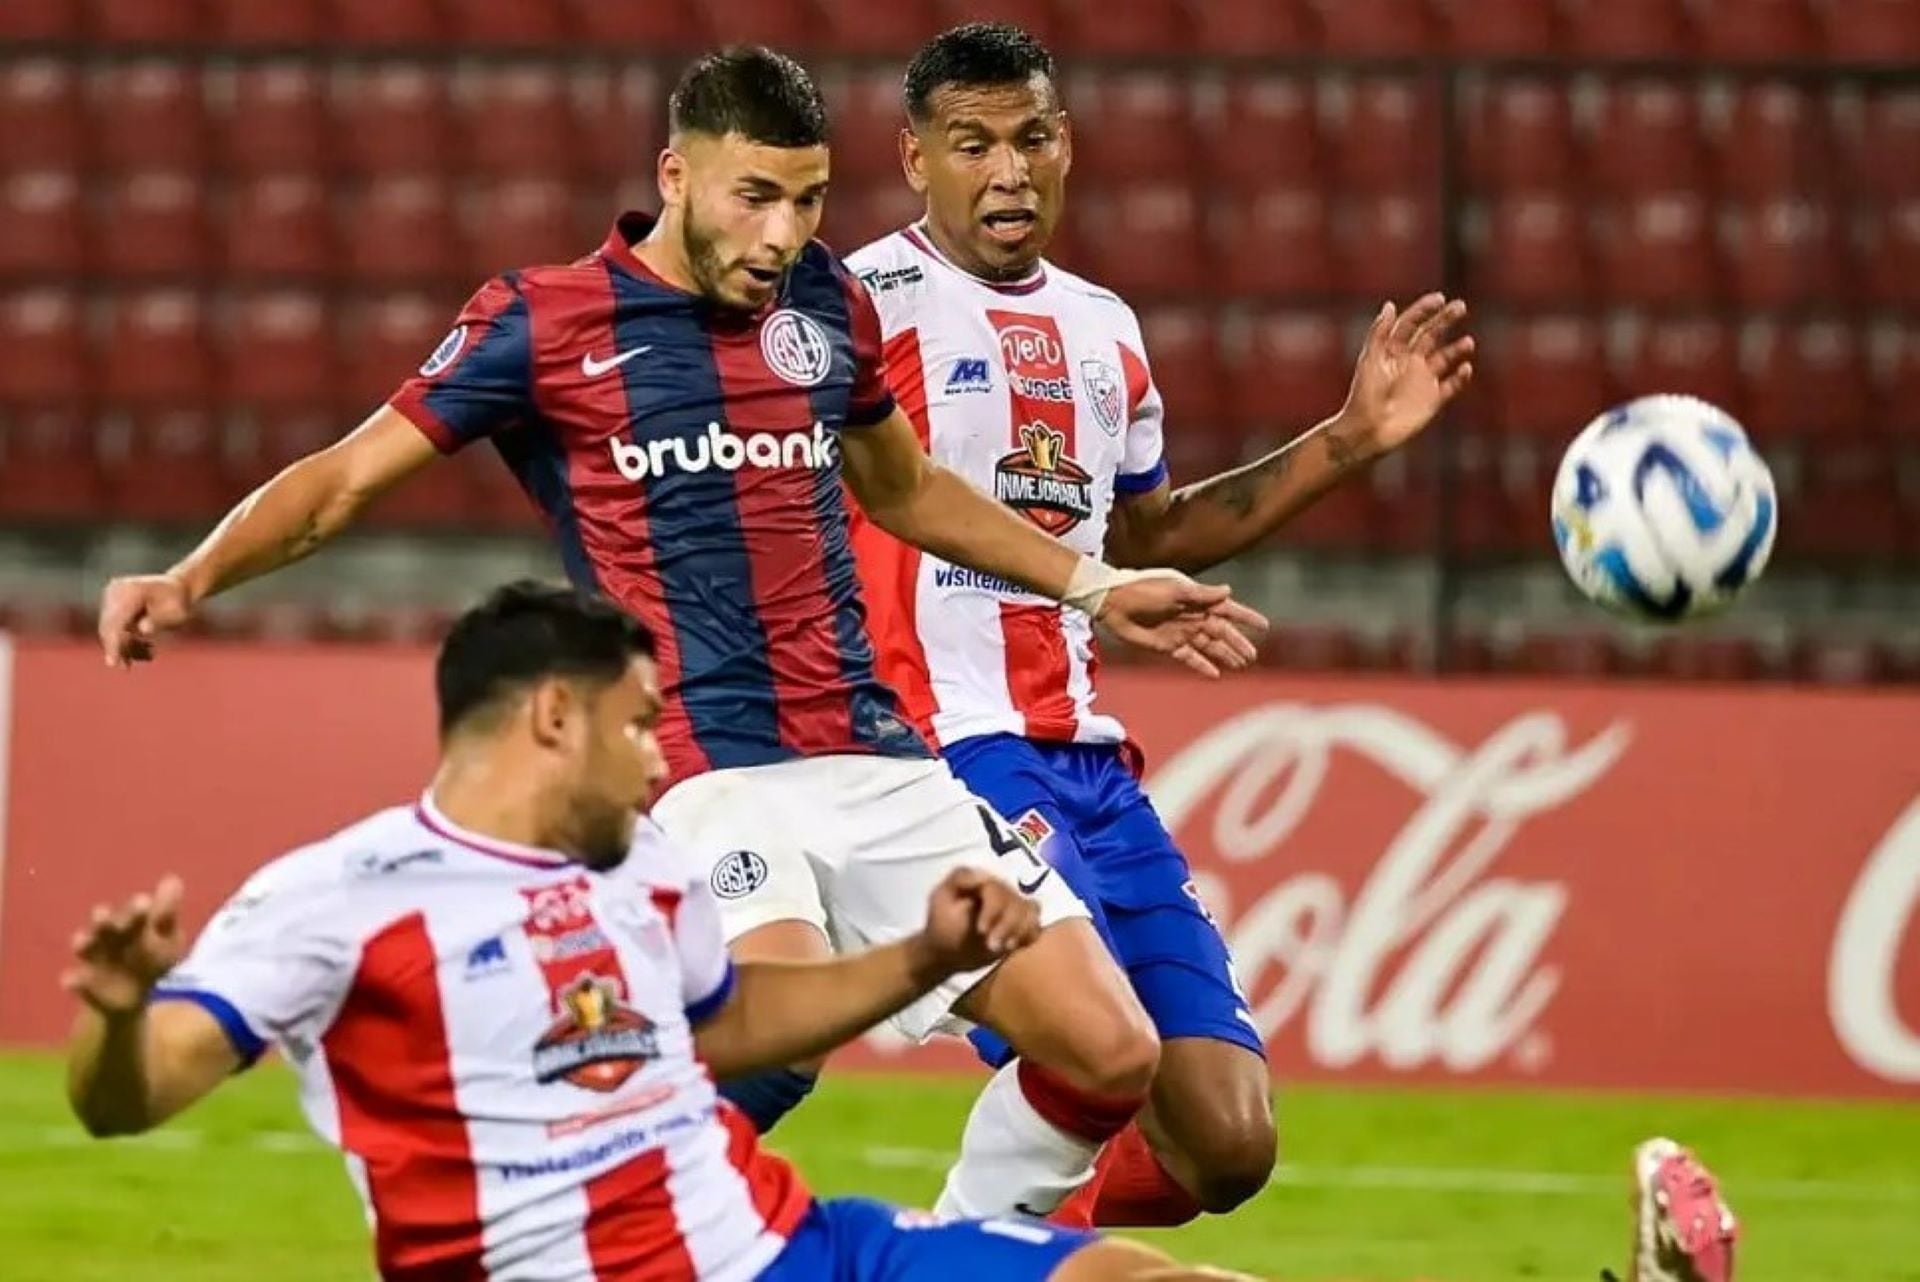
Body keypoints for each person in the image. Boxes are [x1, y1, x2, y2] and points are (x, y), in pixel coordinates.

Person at [95, 48, 1266, 1219]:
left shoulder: (822, 300)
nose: (783, 232)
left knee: (1108, 1052)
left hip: (874, 755)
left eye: (807, 199)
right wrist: (193, 578)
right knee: (780, 1025)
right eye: (755, 196)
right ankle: (555, 1202)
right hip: (708, 770)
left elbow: (905, 491)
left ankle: (953, 1251)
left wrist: (1092, 584)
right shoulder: (543, 320)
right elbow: (344, 480)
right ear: (677, 175)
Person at [62, 580, 1268, 1282]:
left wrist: (925, 958)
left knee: (1129, 1277)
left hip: (779, 1245)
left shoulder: (641, 861)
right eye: (637, 726)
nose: (657, 756)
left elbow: (740, 1020)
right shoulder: (341, 893)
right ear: (551, 716)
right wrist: (117, 1020)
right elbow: (127, 1098)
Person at [839, 23, 1476, 1226]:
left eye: (1031, 138)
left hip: (1088, 765)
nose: (1008, 170)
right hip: (940, 748)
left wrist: (1344, 442)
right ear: (915, 158)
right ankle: (954, 1262)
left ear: (1067, 144)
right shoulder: (865, 306)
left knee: (1225, 1144)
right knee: (1092, 1048)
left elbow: (1148, 533)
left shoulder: (1105, 328)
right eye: (970, 144)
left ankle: (995, 1251)